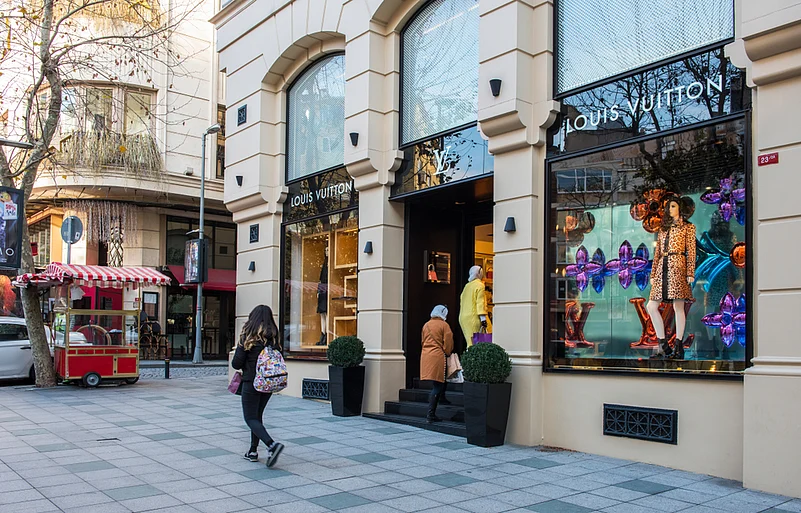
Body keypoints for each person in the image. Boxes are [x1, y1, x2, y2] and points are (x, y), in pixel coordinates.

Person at [232, 305, 285, 467]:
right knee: (257, 416)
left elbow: (236, 363)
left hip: (252, 382)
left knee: (250, 418)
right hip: (269, 383)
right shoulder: (274, 338)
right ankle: (253, 451)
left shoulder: (248, 337)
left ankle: (271, 445)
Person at [647, 196, 696, 360]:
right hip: (663, 266)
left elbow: (691, 251)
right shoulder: (663, 229)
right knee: (651, 306)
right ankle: (663, 344)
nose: (670, 209)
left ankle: (679, 346)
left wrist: (690, 272)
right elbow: (657, 253)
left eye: (673, 206)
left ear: (680, 208)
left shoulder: (688, 228)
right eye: (668, 207)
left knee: (678, 307)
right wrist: (653, 273)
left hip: (678, 265)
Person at [421, 305, 454, 423]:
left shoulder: (426, 325)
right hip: (438, 356)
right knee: (438, 384)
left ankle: (441, 399)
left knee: (437, 382)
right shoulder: (444, 325)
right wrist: (448, 352)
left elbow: (422, 340)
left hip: (426, 355)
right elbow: (448, 344)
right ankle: (431, 414)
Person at [459, 266, 492, 346]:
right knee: (479, 342)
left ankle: (469, 357)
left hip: (463, 318)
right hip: (475, 317)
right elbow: (480, 303)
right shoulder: (480, 285)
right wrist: (483, 320)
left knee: (470, 342)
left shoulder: (467, 286)